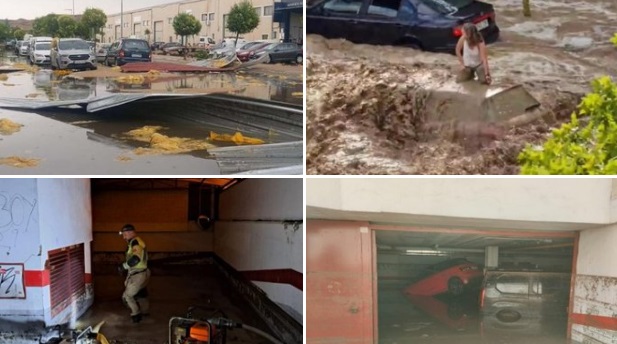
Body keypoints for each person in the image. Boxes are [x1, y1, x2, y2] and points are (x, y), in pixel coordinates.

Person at [118, 224, 150, 323]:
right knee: (141, 292)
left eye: (125, 234)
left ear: (131, 232)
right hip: (143, 272)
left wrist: (123, 266)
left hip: (137, 274)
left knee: (128, 296)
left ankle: (136, 314)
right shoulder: (135, 241)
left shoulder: (135, 242)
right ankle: (145, 311)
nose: (123, 237)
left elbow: (136, 259)